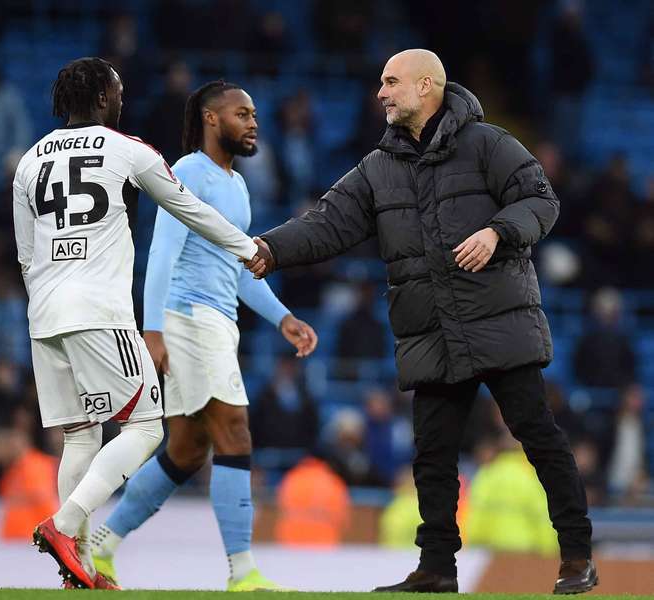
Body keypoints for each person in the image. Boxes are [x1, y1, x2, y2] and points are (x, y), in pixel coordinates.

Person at [248, 49, 596, 595]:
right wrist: (270, 248)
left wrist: (498, 232)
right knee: (432, 457)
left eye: (391, 82)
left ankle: (577, 557)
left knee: (537, 439)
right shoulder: (377, 168)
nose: (381, 93)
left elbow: (540, 198)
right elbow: (327, 223)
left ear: (427, 85)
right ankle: (437, 569)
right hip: (431, 330)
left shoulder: (489, 143)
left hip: (497, 321)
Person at [12, 58, 268, 590]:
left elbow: (24, 255)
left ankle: (77, 566)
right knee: (147, 427)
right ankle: (63, 528)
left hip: (44, 313)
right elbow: (186, 207)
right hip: (101, 312)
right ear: (104, 98)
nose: (123, 98)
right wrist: (247, 246)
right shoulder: (127, 149)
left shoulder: (30, 160)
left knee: (80, 438)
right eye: (119, 90)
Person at [88, 81, 317, 592]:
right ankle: (243, 572)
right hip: (189, 319)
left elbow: (234, 268)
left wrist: (282, 317)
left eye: (255, 113)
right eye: (242, 113)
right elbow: (164, 251)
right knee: (234, 430)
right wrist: (153, 330)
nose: (253, 122)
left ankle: (100, 544)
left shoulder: (235, 185)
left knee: (188, 450)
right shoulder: (189, 171)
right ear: (212, 119)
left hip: (214, 319)